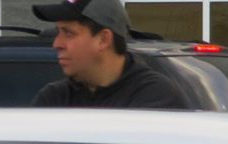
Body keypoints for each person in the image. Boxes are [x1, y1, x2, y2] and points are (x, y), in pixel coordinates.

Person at [30, 0, 187, 109]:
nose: (57, 44)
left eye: (68, 33)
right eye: (58, 32)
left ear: (103, 39)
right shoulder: (55, 97)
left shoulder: (154, 96)